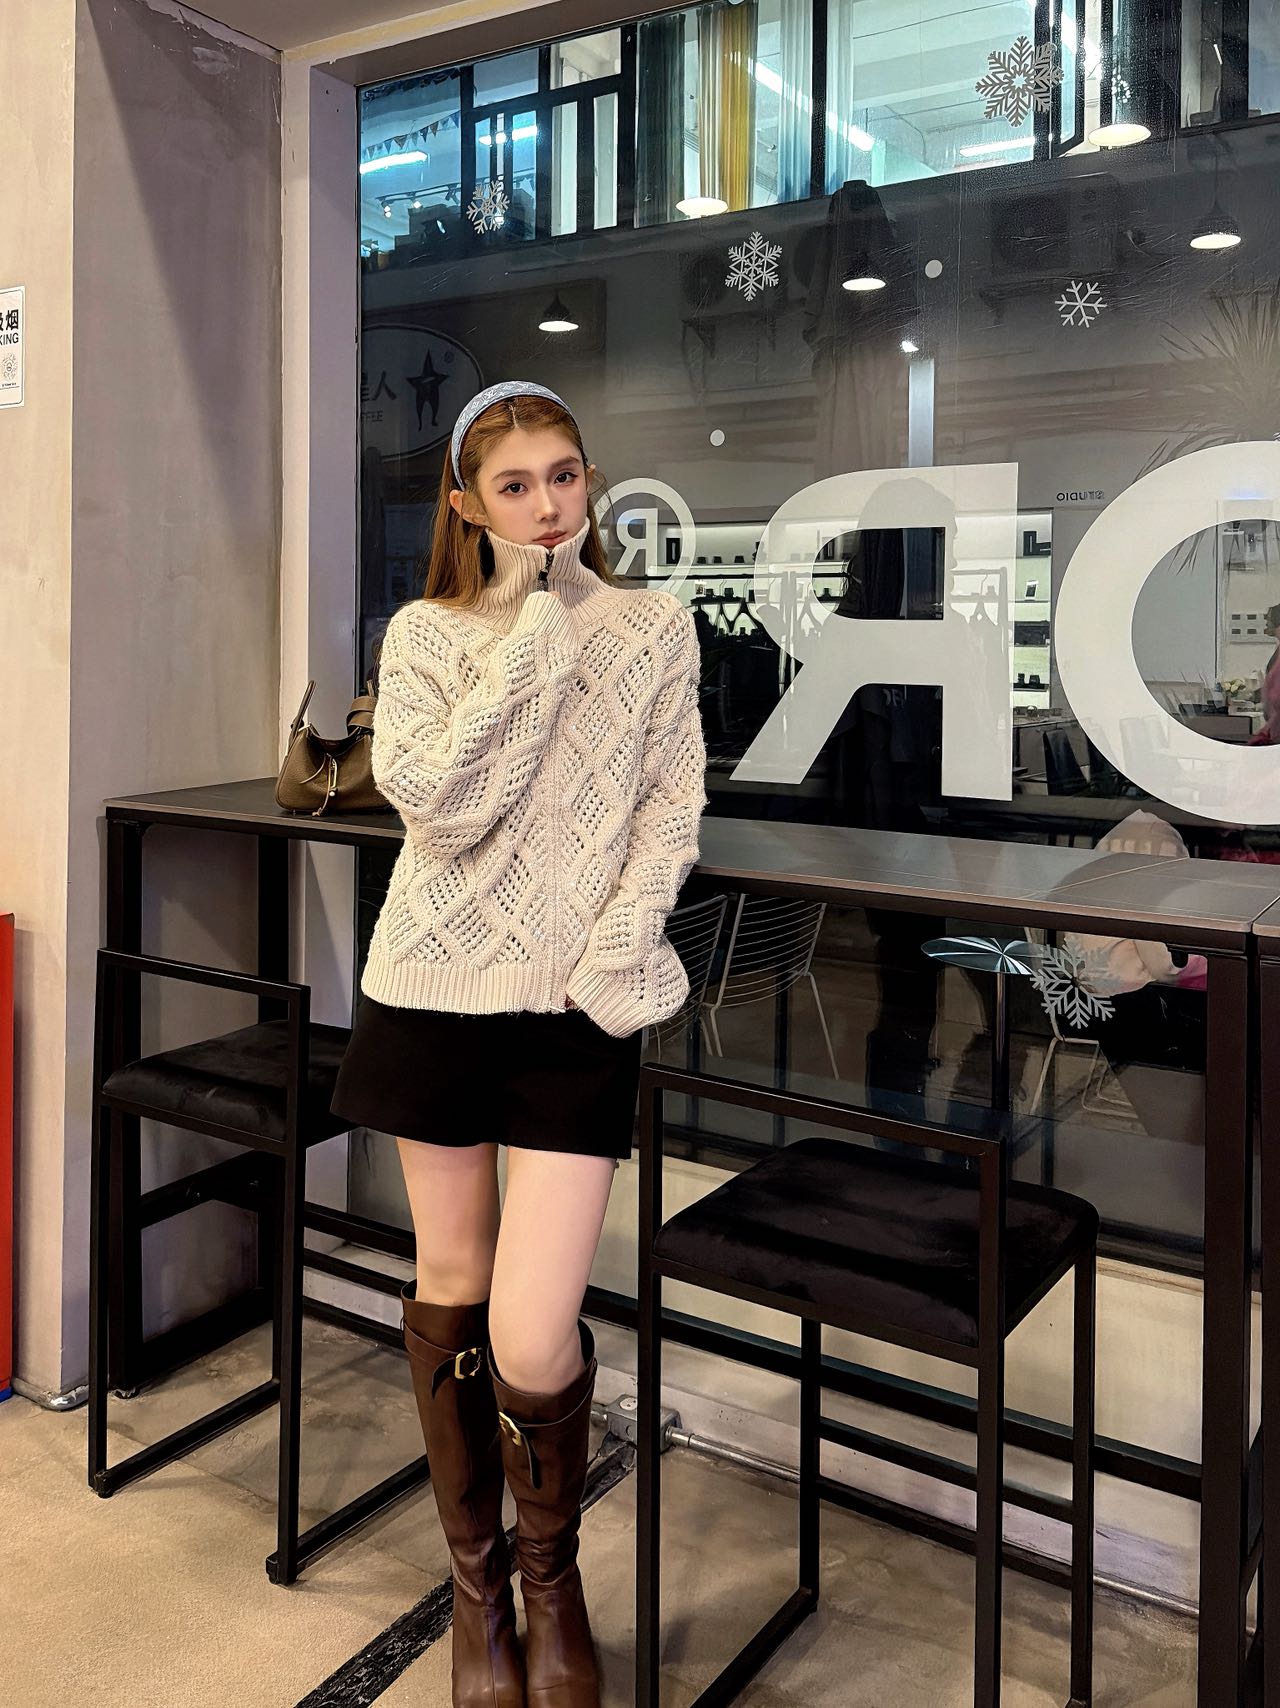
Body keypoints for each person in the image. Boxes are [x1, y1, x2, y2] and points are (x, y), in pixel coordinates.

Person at [329, 380, 709, 1707]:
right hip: (433, 993)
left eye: (565, 476)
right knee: (452, 1285)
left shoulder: (656, 628)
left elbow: (672, 804)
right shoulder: (428, 634)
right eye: (515, 485)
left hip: (576, 1012)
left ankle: (554, 1578)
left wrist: (620, 944)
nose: (549, 506)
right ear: (466, 505)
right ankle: (482, 1593)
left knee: (536, 1334)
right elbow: (441, 805)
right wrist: (534, 625)